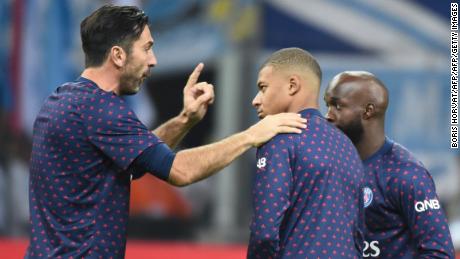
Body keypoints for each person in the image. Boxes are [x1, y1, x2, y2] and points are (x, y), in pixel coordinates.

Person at [25, 5, 307, 258]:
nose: (153, 60)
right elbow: (179, 171)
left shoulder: (63, 100)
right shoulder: (102, 109)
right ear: (118, 55)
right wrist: (251, 135)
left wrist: (185, 119)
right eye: (146, 48)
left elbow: (141, 158)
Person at [247, 47, 364, 258]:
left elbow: (265, 231)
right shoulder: (348, 146)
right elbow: (359, 235)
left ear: (292, 85)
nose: (255, 99)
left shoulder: (279, 138)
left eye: (263, 88)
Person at [324, 71, 455, 258]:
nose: (328, 115)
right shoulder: (328, 164)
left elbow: (439, 253)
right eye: (327, 105)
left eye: (338, 106)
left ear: (368, 111)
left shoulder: (405, 174)